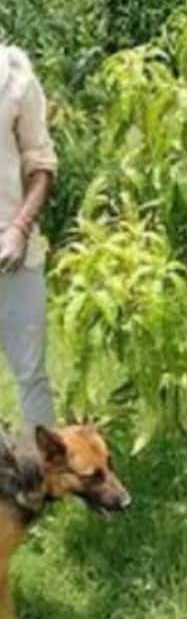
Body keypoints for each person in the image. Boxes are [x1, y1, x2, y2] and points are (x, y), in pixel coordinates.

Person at [0, 45, 57, 442]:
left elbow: (42, 166)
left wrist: (19, 228)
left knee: (30, 374)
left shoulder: (14, 78)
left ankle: (43, 483)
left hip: (11, 253)